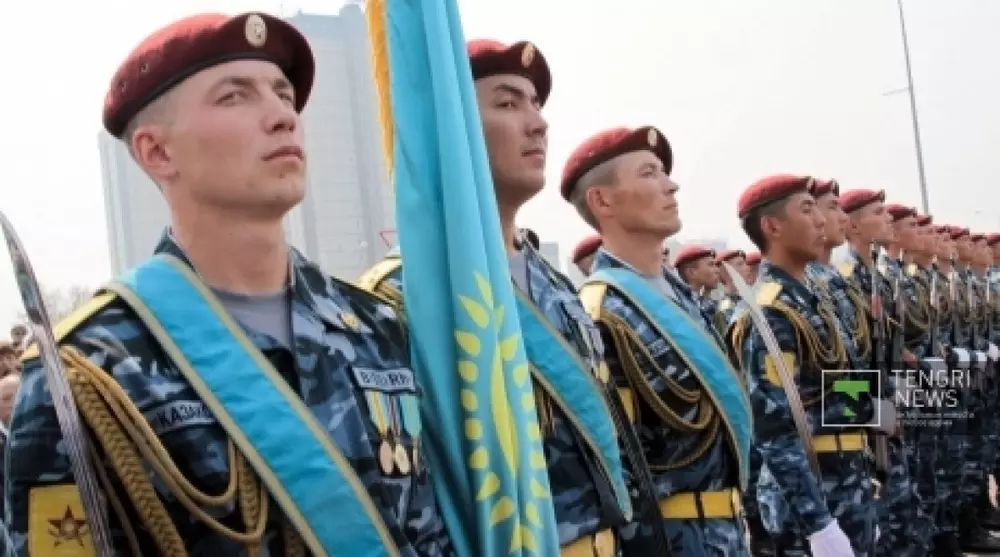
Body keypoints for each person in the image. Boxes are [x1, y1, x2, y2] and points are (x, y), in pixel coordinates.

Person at [9, 12, 453, 556]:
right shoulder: (90, 371)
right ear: (157, 151)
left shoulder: (377, 327)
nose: (283, 116)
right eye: (234, 96)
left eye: (284, 95)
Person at [358, 39, 650, 555]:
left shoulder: (555, 287)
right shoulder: (399, 299)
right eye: (508, 103)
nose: (538, 124)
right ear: (448, 127)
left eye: (536, 104)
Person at [567, 126, 752, 556]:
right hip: (675, 540)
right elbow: (620, 465)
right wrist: (816, 518)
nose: (671, 185)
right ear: (602, 201)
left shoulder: (681, 298)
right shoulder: (603, 312)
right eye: (650, 173)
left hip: (734, 524)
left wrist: (879, 405)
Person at [731, 174, 877, 556]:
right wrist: (818, 525)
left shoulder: (813, 298)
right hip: (812, 496)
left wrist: (868, 428)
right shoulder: (769, 312)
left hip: (847, 478)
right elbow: (774, 431)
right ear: (772, 226)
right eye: (807, 209)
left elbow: (839, 382)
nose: (821, 220)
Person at [672, 245, 721, 314]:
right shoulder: (682, 305)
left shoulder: (701, 302)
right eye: (711, 265)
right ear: (691, 272)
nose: (717, 270)